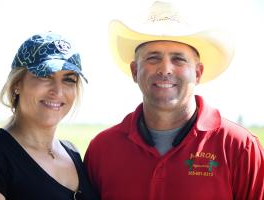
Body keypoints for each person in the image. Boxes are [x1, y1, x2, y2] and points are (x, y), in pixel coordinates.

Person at [84, 1, 264, 200]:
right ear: (135, 71)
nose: (165, 69)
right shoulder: (102, 149)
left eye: (178, 59)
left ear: (197, 72)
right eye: (153, 58)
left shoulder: (239, 147)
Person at [0, 32, 99, 200]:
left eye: (69, 80)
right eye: (45, 76)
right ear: (16, 84)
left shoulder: (73, 152)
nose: (58, 91)